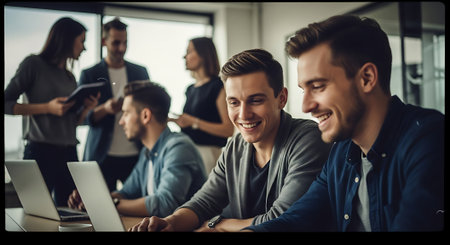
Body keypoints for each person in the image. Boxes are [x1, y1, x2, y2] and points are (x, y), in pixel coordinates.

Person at [244, 15, 444, 232]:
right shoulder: (342, 151)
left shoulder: (429, 139)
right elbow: (295, 220)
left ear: (366, 78)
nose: (306, 106)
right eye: (304, 89)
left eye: (318, 86)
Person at [129, 49, 332, 232]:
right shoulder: (236, 145)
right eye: (234, 102)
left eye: (256, 100)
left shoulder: (308, 138)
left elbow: (280, 220)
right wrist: (171, 222)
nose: (243, 115)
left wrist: (219, 225)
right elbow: (204, 202)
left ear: (281, 98)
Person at [68, 80, 207, 217]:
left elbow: (165, 204)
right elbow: (127, 193)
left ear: (145, 116)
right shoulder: (147, 152)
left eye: (126, 113)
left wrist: (106, 204)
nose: (121, 121)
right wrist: (93, 199)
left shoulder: (179, 148)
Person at [4, 17, 99, 206]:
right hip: (40, 152)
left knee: (71, 212)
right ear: (67, 39)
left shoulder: (70, 77)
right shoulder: (33, 65)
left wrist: (87, 107)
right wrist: (47, 108)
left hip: (69, 154)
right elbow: (6, 103)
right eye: (82, 41)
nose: (84, 47)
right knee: (37, 210)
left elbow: (73, 122)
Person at [79, 17, 150, 192]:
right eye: (116, 43)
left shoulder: (140, 72)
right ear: (104, 41)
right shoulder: (90, 74)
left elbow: (150, 106)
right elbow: (81, 118)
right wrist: (105, 109)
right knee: (99, 206)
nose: (122, 48)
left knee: (138, 207)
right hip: (102, 154)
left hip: (135, 153)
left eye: (125, 43)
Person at [169, 37, 234, 174]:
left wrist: (194, 122)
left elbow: (228, 129)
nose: (184, 56)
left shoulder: (218, 86)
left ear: (203, 54)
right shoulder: (190, 89)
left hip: (207, 155)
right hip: (187, 149)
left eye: (189, 51)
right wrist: (178, 121)